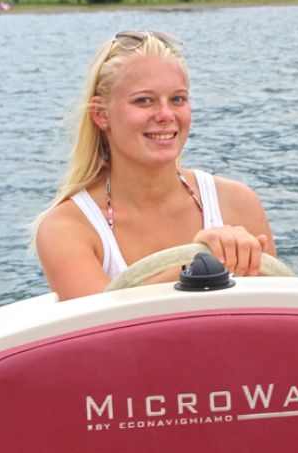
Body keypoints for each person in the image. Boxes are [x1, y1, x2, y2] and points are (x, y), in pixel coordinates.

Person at [33, 31, 276, 300]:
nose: (165, 115)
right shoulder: (66, 229)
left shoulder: (238, 203)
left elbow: (278, 317)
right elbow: (102, 331)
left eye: (177, 99)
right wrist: (201, 262)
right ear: (101, 114)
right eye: (144, 100)